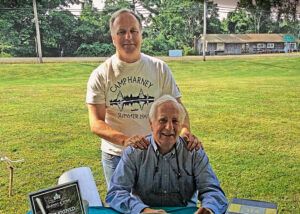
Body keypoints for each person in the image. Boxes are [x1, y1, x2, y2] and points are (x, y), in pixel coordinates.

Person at [86, 8, 202, 186]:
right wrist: (126, 141)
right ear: (113, 38)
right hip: (117, 155)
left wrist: (185, 132)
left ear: (141, 34)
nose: (128, 37)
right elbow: (96, 123)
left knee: (154, 204)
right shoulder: (101, 74)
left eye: (133, 31)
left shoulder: (159, 68)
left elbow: (179, 108)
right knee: (121, 205)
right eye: (122, 32)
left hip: (155, 152)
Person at [106, 95, 228, 214]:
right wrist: (142, 210)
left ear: (181, 125)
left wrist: (209, 209)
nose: (169, 127)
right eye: (162, 120)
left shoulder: (194, 152)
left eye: (175, 121)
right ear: (151, 123)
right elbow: (116, 192)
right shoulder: (135, 152)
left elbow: (213, 191)